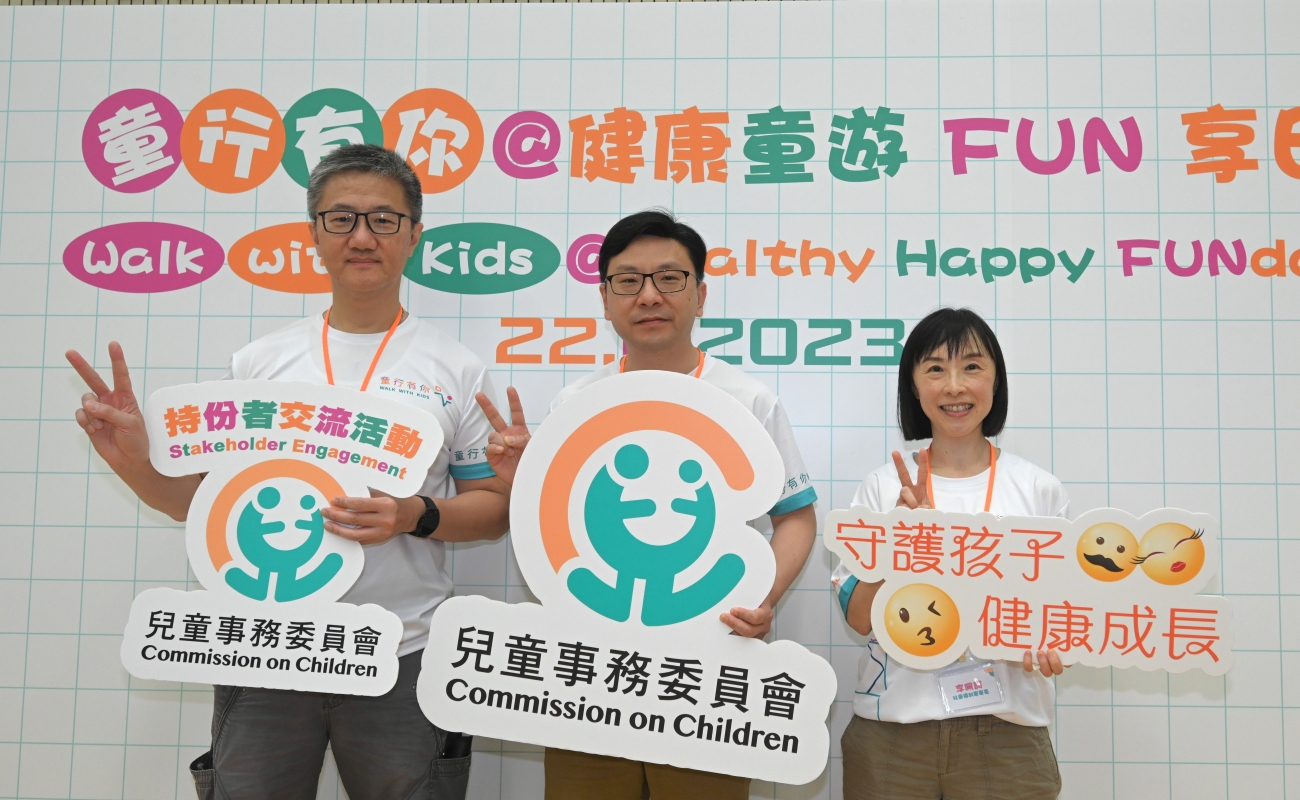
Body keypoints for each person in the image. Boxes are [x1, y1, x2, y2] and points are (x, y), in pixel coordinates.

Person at [65, 144, 509, 800]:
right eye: (341, 218)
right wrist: (133, 461)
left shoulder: (457, 369)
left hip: (400, 653)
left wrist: (413, 515)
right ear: (314, 235)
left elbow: (493, 507)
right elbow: (202, 506)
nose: (362, 237)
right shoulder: (259, 365)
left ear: (414, 235)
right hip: (267, 648)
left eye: (384, 219)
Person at [474, 209, 818, 800]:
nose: (650, 295)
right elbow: (556, 526)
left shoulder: (747, 400)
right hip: (590, 667)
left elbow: (796, 516)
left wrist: (761, 599)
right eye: (629, 280)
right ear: (605, 299)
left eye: (670, 278)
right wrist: (524, 481)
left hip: (707, 667)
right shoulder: (578, 401)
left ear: (700, 295)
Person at [831, 307, 1067, 800]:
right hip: (893, 735)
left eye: (972, 367)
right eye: (935, 368)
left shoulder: (1038, 490)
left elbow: (1066, 615)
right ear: (914, 387)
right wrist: (898, 539)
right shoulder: (882, 488)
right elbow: (858, 617)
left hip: (1007, 736)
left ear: (996, 380)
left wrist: (1057, 646)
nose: (954, 386)